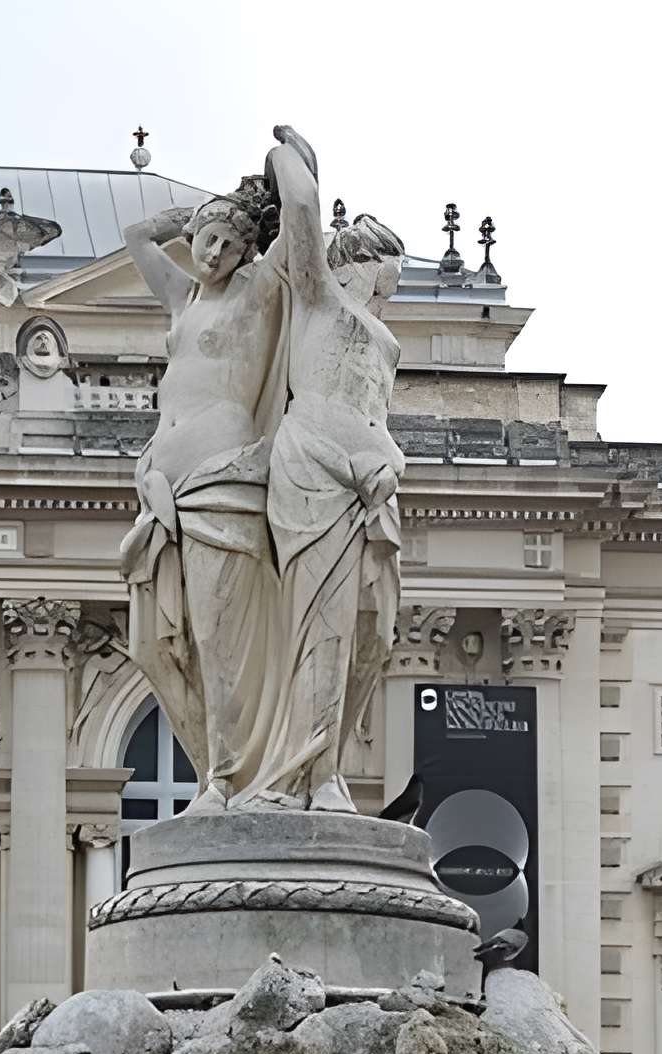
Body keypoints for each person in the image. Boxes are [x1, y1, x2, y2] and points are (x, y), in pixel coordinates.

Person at [120, 180, 288, 809]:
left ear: (249, 253)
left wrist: (285, 166)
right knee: (155, 647)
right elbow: (136, 237)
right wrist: (187, 219)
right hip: (160, 488)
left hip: (221, 478)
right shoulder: (184, 298)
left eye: (228, 244)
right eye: (206, 240)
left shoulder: (257, 294)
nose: (213, 253)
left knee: (218, 641)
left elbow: (300, 230)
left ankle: (228, 779)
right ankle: (215, 769)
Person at [260, 130, 406, 811]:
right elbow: (300, 209)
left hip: (369, 492)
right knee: (323, 625)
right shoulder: (319, 299)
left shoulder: (373, 328)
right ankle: (312, 775)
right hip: (318, 472)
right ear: (358, 268)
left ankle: (328, 762)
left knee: (373, 635)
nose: (389, 297)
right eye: (388, 281)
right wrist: (295, 158)